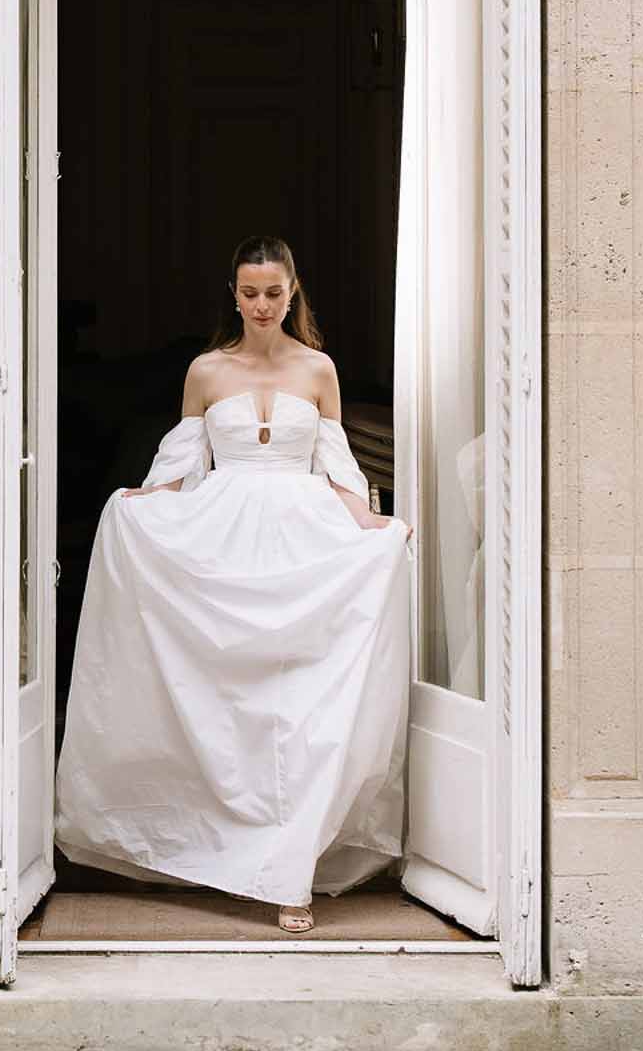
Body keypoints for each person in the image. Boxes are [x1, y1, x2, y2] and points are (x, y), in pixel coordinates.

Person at [53, 234, 413, 936]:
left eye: (273, 292)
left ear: (292, 292)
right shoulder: (206, 371)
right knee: (233, 710)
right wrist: (145, 501)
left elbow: (335, 466)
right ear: (233, 294)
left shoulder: (318, 369)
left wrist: (369, 524)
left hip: (301, 536)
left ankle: (290, 870)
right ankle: (218, 849)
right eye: (249, 292)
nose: (260, 305)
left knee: (302, 712)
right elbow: (181, 461)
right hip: (223, 532)